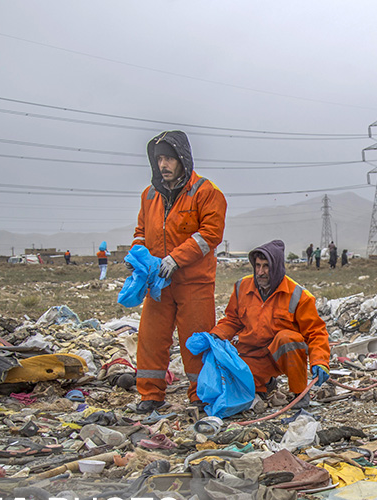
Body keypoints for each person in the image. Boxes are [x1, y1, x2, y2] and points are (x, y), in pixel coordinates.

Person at [130, 130, 227, 413]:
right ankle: (150, 396)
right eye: (159, 158)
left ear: (183, 159)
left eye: (169, 158)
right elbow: (141, 232)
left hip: (193, 283)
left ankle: (199, 396)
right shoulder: (149, 195)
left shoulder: (206, 192)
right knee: (150, 339)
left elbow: (210, 234)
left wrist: (176, 259)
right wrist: (136, 257)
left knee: (195, 342)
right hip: (158, 282)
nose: (164, 165)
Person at [211, 240, 330, 405]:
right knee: (233, 384)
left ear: (277, 267)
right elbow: (232, 319)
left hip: (278, 356)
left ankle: (299, 393)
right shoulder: (242, 286)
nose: (260, 272)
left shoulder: (297, 295)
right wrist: (215, 336)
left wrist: (320, 361)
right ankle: (265, 384)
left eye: (266, 266)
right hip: (251, 353)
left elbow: (316, 332)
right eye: (257, 266)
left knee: (288, 339)